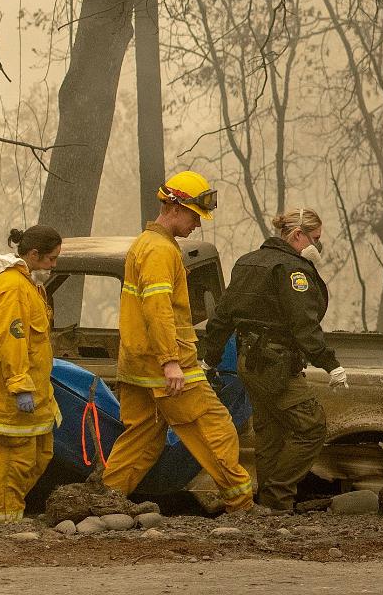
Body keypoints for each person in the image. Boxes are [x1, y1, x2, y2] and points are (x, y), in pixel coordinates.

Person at [100, 171, 254, 512]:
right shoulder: (159, 251)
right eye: (195, 216)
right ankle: (242, 505)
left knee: (141, 438)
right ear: (174, 207)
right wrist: (171, 361)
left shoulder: (144, 244)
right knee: (215, 428)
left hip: (138, 363)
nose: (198, 224)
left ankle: (105, 502)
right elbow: (158, 310)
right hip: (167, 364)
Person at [201, 207, 346, 513]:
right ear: (297, 235)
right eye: (315, 239)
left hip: (248, 361)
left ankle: (268, 508)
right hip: (276, 364)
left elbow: (222, 316)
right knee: (311, 428)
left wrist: (209, 357)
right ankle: (278, 497)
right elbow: (304, 326)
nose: (317, 246)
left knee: (271, 431)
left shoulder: (247, 262)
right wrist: (331, 364)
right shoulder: (293, 270)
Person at [0, 225, 62, 523]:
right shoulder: (12, 288)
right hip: (12, 395)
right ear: (33, 254)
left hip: (37, 392)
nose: (54, 266)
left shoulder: (31, 285)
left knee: (39, 456)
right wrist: (20, 385)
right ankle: (3, 524)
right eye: (51, 259)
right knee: (13, 463)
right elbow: (11, 340)